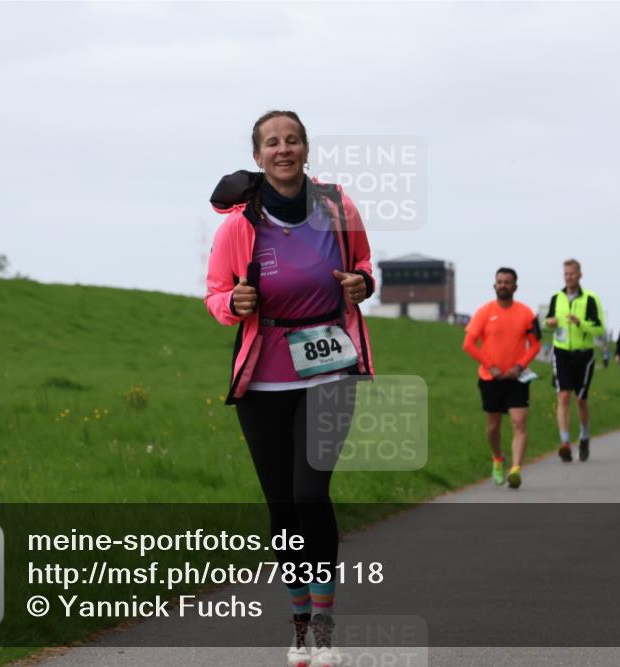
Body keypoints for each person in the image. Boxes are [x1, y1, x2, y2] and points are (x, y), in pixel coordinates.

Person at [205, 110, 376, 667]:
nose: (284, 149)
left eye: (293, 140)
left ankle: (323, 625)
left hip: (329, 368)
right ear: (258, 157)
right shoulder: (238, 226)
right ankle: (299, 623)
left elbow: (365, 263)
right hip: (263, 378)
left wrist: (362, 282)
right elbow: (215, 294)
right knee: (281, 505)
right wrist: (235, 303)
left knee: (310, 494)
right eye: (272, 143)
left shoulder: (337, 206)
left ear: (306, 148)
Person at [463, 268, 542, 489]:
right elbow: (468, 344)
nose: (503, 285)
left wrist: (520, 366)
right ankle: (498, 458)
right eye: (500, 282)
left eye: (508, 282)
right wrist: (491, 366)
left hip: (517, 378)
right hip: (491, 379)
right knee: (493, 427)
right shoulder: (484, 312)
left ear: (515, 286)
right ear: (494, 285)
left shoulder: (526, 313)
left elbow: (536, 345)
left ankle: (516, 469)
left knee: (519, 422)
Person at [543, 259, 605, 462]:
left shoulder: (590, 299)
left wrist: (581, 324)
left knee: (581, 400)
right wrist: (549, 323)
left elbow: (600, 329)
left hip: (583, 354)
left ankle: (585, 436)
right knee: (563, 397)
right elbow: (546, 324)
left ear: (580, 275)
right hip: (561, 353)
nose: (569, 277)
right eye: (565, 274)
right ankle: (565, 443)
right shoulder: (556, 298)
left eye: (572, 273)